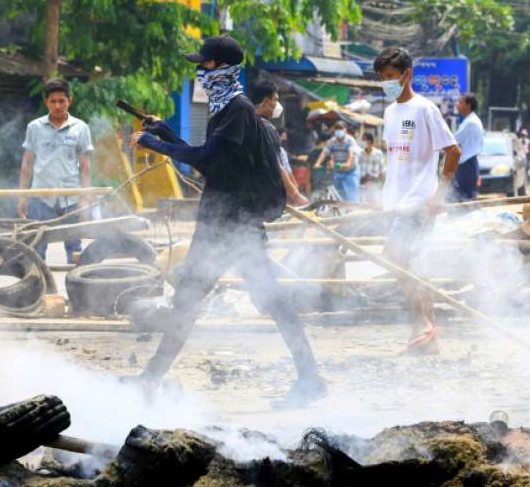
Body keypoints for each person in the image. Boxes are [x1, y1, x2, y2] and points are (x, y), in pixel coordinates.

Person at [129, 35, 324, 405]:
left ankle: (311, 379)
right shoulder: (226, 108)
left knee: (267, 302)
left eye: (205, 64)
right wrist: (163, 131)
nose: (200, 71)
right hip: (223, 222)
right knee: (195, 297)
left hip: (234, 226)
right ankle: (150, 378)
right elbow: (214, 158)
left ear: (223, 68)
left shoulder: (236, 109)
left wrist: (155, 144)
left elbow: (203, 159)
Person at [374, 47, 461, 355]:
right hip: (397, 203)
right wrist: (383, 197)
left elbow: (453, 151)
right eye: (382, 78)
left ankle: (422, 323)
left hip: (419, 203)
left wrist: (439, 194)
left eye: (390, 77)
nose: (386, 82)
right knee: (413, 264)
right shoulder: (389, 112)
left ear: (407, 74)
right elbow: (395, 161)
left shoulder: (425, 109)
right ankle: (429, 337)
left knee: (395, 256)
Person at [18, 80, 93, 264]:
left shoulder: (81, 128)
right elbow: (27, 164)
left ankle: (78, 289)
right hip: (41, 197)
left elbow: (85, 166)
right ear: (46, 102)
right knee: (36, 248)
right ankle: (37, 289)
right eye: (53, 101)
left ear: (70, 101)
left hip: (71, 197)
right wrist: (22, 196)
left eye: (62, 101)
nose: (57, 105)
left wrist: (85, 198)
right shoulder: (34, 127)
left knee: (75, 250)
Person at [248, 79, 309, 206]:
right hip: (259, 196)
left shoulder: (241, 122)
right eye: (275, 100)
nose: (277, 105)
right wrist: (295, 194)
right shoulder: (265, 128)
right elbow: (275, 163)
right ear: (265, 100)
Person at [313, 122, 359, 202]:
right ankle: (341, 212)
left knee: (351, 195)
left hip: (350, 171)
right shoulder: (332, 142)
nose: (338, 132)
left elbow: (350, 159)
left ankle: (354, 211)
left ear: (345, 130)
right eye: (337, 130)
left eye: (340, 130)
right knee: (337, 195)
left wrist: (337, 164)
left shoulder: (350, 141)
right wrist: (318, 163)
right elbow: (324, 153)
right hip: (338, 171)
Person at [452, 92, 485, 201]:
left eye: (460, 102)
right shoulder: (470, 121)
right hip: (467, 165)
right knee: (462, 198)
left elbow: (453, 141)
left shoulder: (470, 123)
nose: (458, 104)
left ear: (468, 105)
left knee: (463, 200)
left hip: (466, 166)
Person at [358, 131, 385, 205]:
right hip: (362, 183)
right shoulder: (360, 153)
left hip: (374, 183)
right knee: (363, 205)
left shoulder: (378, 153)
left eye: (364, 140)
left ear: (370, 141)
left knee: (374, 204)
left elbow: (382, 170)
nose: (363, 142)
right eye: (362, 140)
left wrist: (383, 184)